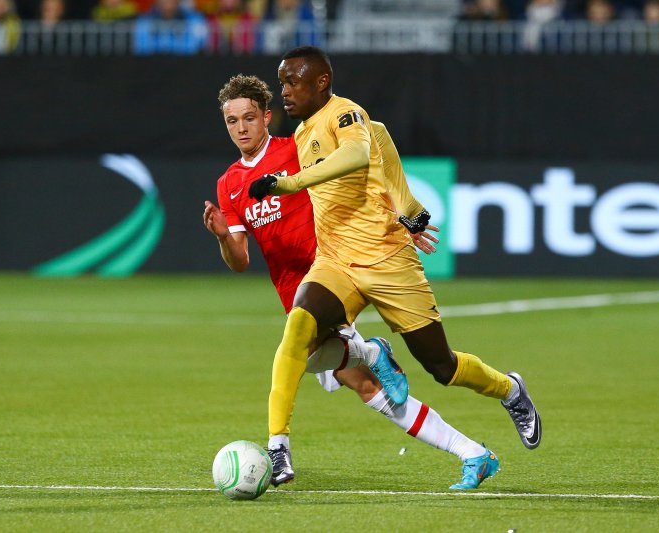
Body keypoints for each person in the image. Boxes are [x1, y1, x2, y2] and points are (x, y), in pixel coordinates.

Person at [247, 46, 542, 485]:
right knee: (298, 329)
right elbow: (383, 148)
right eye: (282, 81)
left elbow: (358, 155)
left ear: (321, 82)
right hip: (336, 262)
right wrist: (409, 207)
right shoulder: (311, 127)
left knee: (442, 368)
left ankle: (510, 390)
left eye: (292, 81)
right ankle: (278, 447)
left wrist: (288, 183)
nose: (284, 91)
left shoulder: (345, 115)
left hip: (388, 263)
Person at [204, 74, 500, 490]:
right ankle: (471, 451)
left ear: (266, 117)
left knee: (300, 358)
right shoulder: (229, 183)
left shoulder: (298, 150)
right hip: (294, 292)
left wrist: (402, 216)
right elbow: (239, 260)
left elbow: (367, 164)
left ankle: (281, 445)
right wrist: (222, 237)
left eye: (248, 118)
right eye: (232, 121)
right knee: (367, 388)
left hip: (333, 276)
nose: (240, 128)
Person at [133, 0, 208, 55]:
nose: (167, 2)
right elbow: (142, 49)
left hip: (187, 67)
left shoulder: (195, 20)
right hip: (152, 67)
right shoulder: (144, 21)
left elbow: (197, 47)